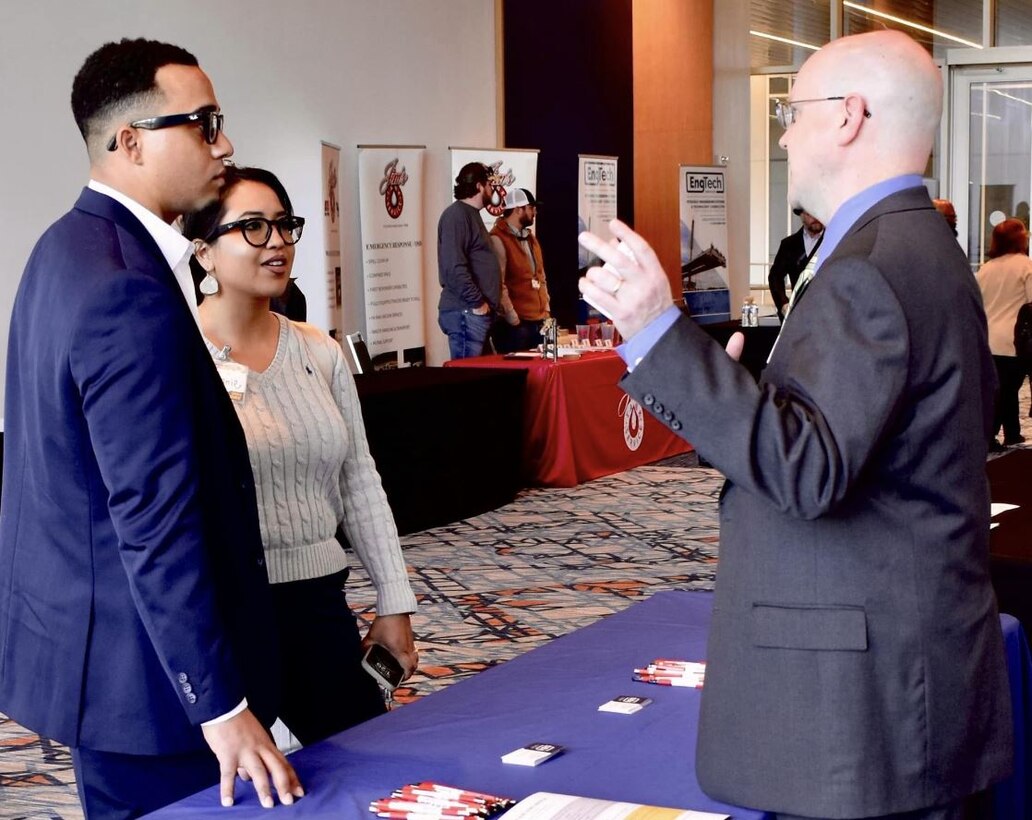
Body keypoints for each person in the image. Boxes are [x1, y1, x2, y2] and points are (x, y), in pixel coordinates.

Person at [578, 30, 1011, 820]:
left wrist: (653, 329)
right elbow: (877, 435)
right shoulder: (922, 248)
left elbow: (806, 470)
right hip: (904, 677)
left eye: (791, 109)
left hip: (860, 708)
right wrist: (750, 395)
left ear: (849, 116)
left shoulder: (870, 270)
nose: (782, 131)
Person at [0, 39, 303, 818]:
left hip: (100, 663)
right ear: (129, 141)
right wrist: (219, 705)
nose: (224, 144)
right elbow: (153, 515)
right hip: (155, 688)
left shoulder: (64, 249)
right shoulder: (123, 287)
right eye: (203, 125)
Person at [182, 165, 419, 745]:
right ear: (204, 252)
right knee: (239, 792)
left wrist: (394, 600)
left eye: (285, 226)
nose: (278, 243)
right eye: (254, 228)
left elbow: (359, 480)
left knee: (364, 767)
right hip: (228, 612)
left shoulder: (319, 349)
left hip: (318, 600)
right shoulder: (179, 355)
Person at [976, 218, 1032, 449]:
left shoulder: (985, 269)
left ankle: (1012, 433)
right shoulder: (1026, 267)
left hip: (988, 340)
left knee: (1004, 389)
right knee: (1007, 390)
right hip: (1014, 340)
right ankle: (989, 436)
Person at [437, 162, 501, 359]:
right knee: (467, 382)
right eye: (490, 184)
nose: (493, 189)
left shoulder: (471, 215)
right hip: (466, 314)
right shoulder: (456, 216)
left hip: (475, 315)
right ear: (479, 186)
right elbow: (453, 267)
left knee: (478, 383)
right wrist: (478, 303)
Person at [489, 188, 551, 352]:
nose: (535, 212)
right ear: (518, 209)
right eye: (531, 207)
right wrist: (513, 319)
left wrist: (546, 311)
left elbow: (541, 277)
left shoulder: (531, 238)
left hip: (538, 322)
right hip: (517, 326)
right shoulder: (498, 239)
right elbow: (498, 284)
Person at [767, 208, 824, 322]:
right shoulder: (789, 244)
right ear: (801, 215)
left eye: (819, 212)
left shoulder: (834, 240)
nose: (816, 217)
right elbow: (775, 277)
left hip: (827, 314)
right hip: (798, 315)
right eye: (810, 213)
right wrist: (784, 304)